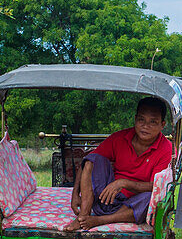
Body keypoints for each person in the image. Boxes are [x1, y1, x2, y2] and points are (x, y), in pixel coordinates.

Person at [65, 97, 173, 231]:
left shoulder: (166, 148)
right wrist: (75, 194)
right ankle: (82, 217)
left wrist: (123, 183)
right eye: (141, 120)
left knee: (151, 199)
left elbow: (156, 186)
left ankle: (99, 220)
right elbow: (88, 161)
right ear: (135, 119)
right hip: (106, 198)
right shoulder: (120, 138)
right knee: (93, 159)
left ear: (162, 125)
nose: (145, 126)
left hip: (133, 206)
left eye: (153, 122)